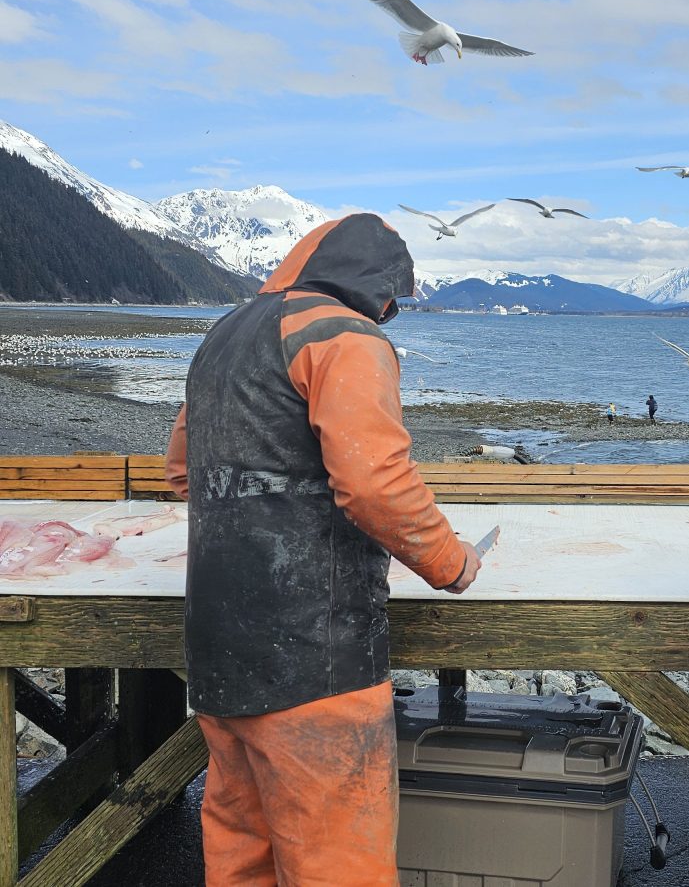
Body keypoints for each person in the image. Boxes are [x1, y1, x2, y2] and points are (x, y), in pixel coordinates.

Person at [164, 213, 481, 886]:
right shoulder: (344, 335)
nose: (393, 313)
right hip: (316, 659)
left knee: (240, 852)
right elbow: (373, 484)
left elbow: (181, 473)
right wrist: (450, 560)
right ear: (377, 288)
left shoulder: (223, 336)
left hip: (219, 651)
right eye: (395, 299)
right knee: (338, 862)